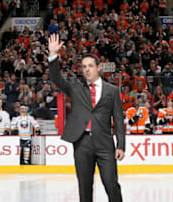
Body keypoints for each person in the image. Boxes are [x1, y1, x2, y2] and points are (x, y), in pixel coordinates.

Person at [48, 34, 125, 202]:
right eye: (84, 67)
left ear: (98, 68)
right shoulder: (75, 87)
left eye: (90, 66)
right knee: (84, 186)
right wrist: (53, 56)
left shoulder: (112, 90)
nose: (87, 69)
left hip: (105, 144)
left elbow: (118, 119)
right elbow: (56, 79)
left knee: (111, 184)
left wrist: (121, 145)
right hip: (82, 142)